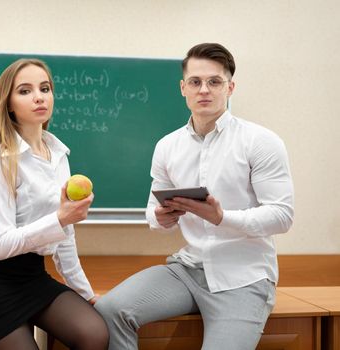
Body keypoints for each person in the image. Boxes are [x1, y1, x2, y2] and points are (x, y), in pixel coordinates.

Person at [95, 43, 294, 349]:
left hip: (244, 277)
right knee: (109, 311)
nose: (204, 89)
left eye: (214, 82)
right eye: (195, 82)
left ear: (230, 87)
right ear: (183, 88)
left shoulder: (261, 141)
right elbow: (152, 211)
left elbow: (282, 216)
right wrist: (160, 217)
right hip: (187, 270)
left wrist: (221, 218)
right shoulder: (167, 146)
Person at [0, 58, 109, 350]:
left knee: (95, 333)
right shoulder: (0, 160)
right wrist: (60, 220)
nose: (39, 96)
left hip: (33, 277)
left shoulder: (58, 155)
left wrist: (86, 293)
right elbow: (0, 246)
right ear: (9, 104)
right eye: (25, 91)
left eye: (45, 88)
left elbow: (64, 239)